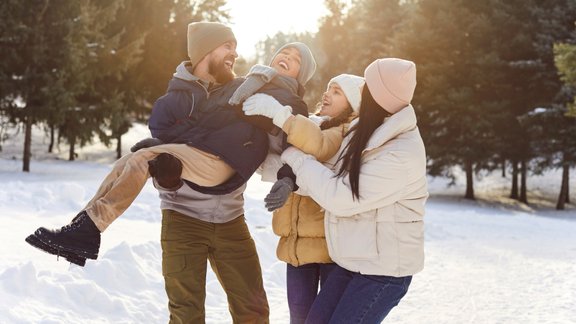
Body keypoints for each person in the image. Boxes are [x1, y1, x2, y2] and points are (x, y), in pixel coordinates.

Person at [23, 22, 319, 324]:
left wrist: (287, 177)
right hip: (183, 220)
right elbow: (195, 129)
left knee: (253, 311)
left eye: (295, 58)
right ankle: (85, 229)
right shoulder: (227, 90)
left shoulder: (273, 98)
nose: (285, 55)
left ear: (301, 74)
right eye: (283, 51)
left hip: (230, 219)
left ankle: (87, 230)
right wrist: (166, 160)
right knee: (185, 315)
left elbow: (297, 147)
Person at [244, 58, 428, 323]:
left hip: (383, 272)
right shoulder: (364, 131)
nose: (362, 91)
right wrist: (286, 174)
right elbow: (326, 174)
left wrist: (297, 158)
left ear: (379, 96)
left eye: (368, 88)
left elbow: (341, 197)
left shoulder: (400, 152)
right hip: (352, 262)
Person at [244, 74, 364, 323]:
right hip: (296, 246)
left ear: (353, 105)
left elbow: (318, 146)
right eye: (328, 87)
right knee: (299, 316)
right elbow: (283, 158)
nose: (327, 93)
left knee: (323, 318)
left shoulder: (342, 132)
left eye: (337, 91)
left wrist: (281, 115)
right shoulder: (312, 123)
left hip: (329, 248)